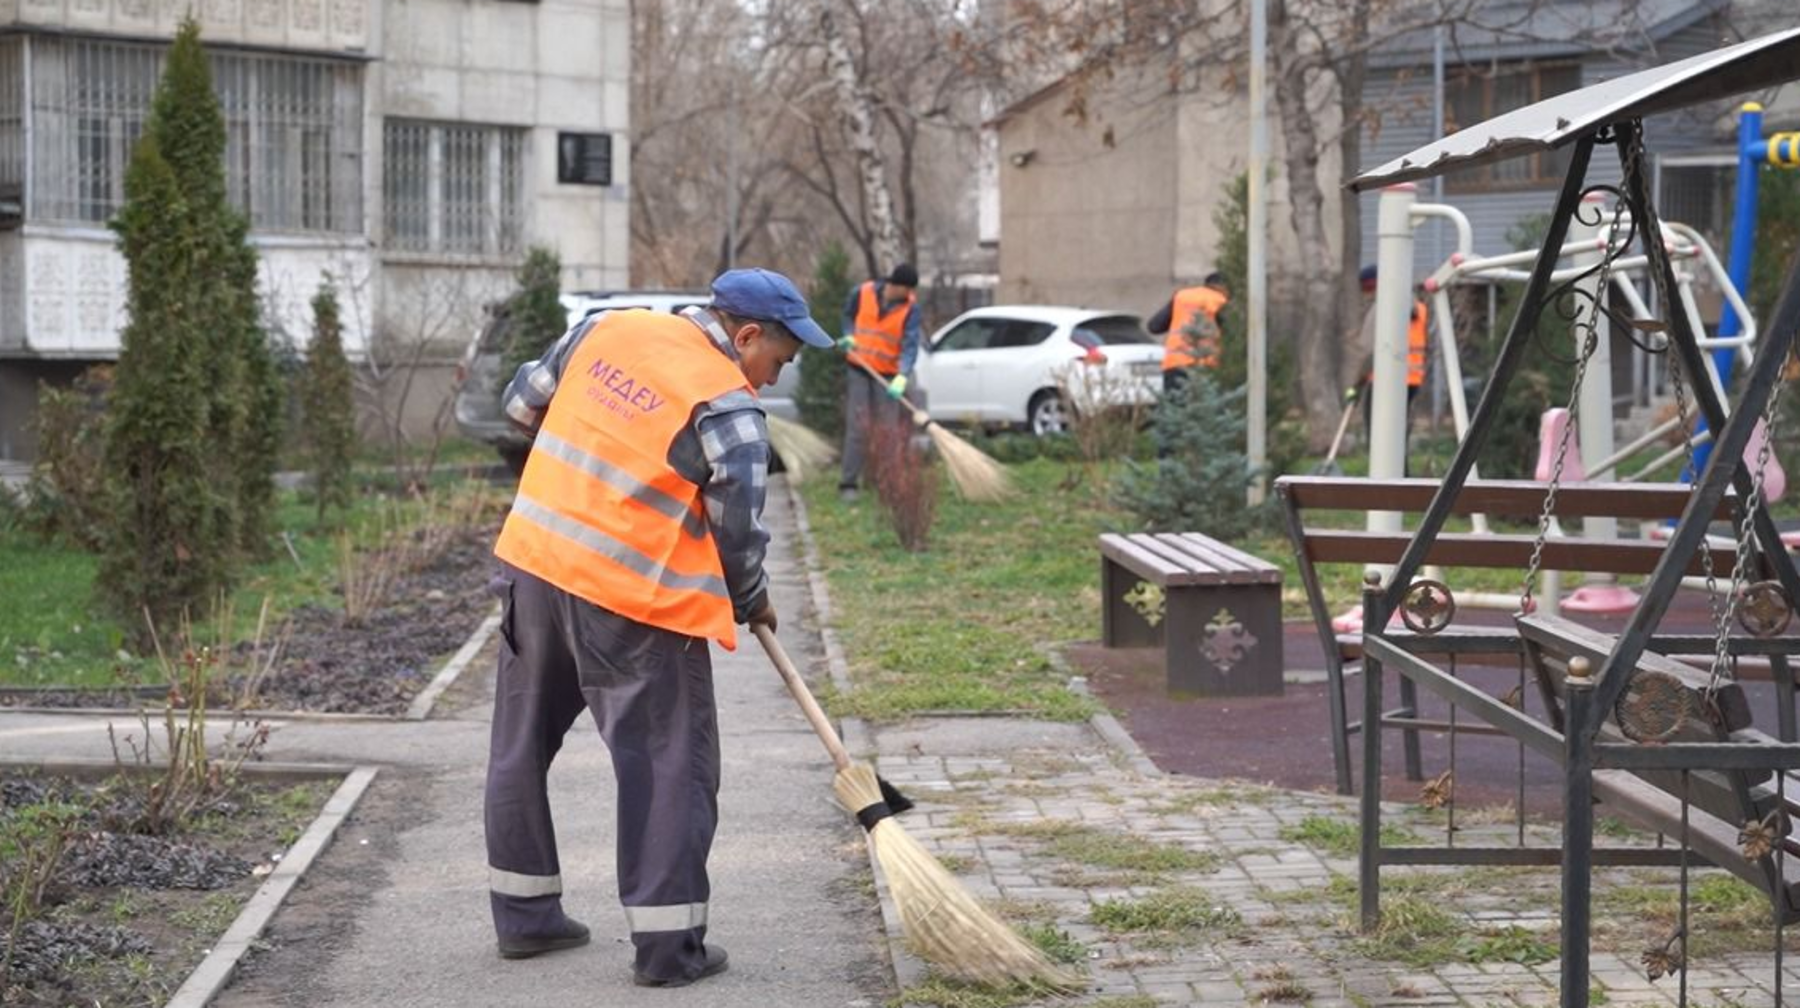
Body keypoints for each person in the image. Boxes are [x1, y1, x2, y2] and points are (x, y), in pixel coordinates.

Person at [482, 267, 833, 988]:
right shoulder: (728, 410)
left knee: (519, 746)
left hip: (535, 569)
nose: (771, 379)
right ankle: (669, 948)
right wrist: (752, 597)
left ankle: (525, 920)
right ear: (745, 336)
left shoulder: (608, 330)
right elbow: (739, 535)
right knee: (671, 767)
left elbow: (520, 408)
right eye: (778, 360)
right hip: (632, 606)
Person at [837, 262, 923, 501]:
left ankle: (884, 482)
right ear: (895, 286)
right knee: (857, 426)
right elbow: (847, 316)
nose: (910, 295)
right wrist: (848, 335)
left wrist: (902, 376)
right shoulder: (862, 292)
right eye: (907, 289)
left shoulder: (911, 309)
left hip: (887, 375)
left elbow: (910, 345)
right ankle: (848, 483)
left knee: (887, 430)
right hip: (859, 367)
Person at [1147, 271, 1230, 397]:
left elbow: (1154, 326)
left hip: (1174, 365)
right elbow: (1231, 333)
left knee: (1175, 411)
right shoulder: (1220, 301)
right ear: (1224, 287)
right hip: (1206, 365)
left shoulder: (1181, 296)